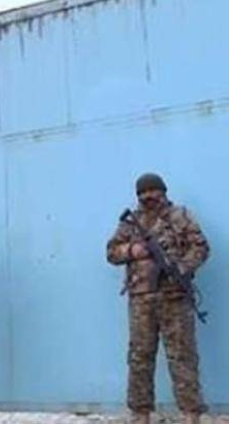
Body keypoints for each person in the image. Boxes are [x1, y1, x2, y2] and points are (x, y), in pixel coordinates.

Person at [107, 173, 209, 424]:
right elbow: (111, 252)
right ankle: (140, 414)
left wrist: (182, 268)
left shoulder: (180, 216)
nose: (148, 196)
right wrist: (133, 250)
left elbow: (201, 247)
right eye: (143, 193)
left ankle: (191, 414)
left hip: (175, 298)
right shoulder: (131, 223)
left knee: (183, 356)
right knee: (139, 357)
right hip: (141, 300)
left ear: (163, 192)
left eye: (153, 191)